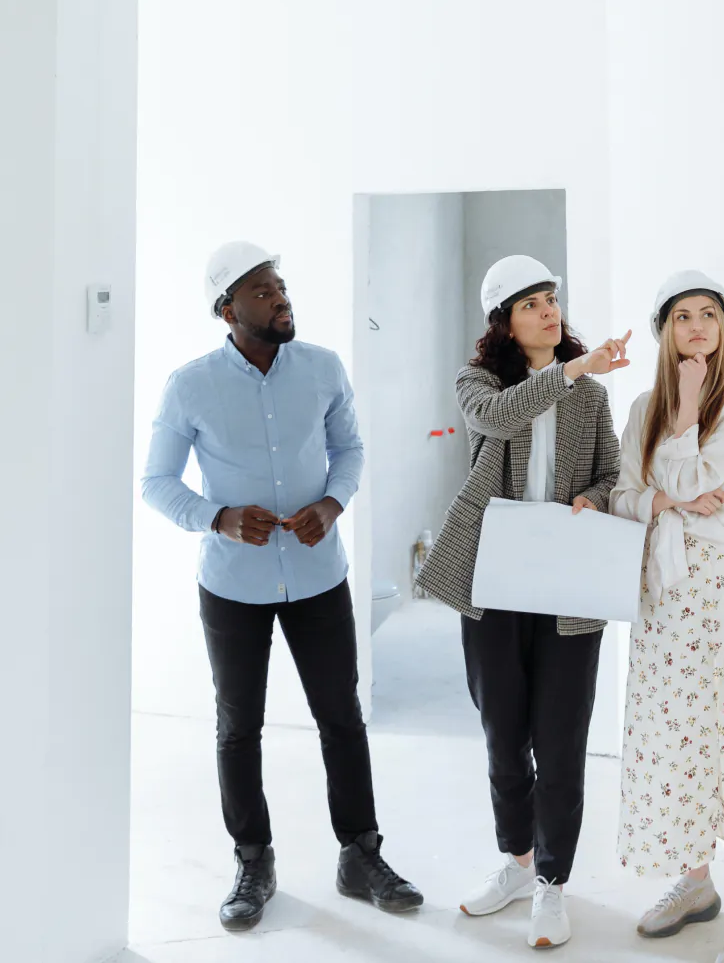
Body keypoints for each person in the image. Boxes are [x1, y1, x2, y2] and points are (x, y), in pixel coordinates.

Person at [141, 241, 423, 933]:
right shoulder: (190, 385)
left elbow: (349, 449)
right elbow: (156, 482)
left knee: (342, 718)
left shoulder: (323, 368)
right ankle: (253, 862)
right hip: (232, 586)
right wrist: (217, 518)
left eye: (281, 286)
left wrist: (331, 504)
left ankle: (361, 855)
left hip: (318, 577)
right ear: (227, 309)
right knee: (238, 728)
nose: (280, 299)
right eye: (262, 292)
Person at [416, 254, 629, 950]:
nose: (549, 311)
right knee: (504, 737)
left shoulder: (591, 397)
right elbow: (501, 418)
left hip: (567, 584)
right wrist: (569, 369)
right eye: (532, 303)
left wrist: (591, 500)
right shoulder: (479, 382)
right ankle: (515, 861)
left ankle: (551, 884)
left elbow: (608, 474)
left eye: (552, 300)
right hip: (495, 582)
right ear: (505, 322)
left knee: (560, 743)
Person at [610, 271, 724, 963]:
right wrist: (665, 500)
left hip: (719, 591)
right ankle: (694, 883)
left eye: (708, 315)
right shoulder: (640, 409)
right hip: (661, 591)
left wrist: (685, 415)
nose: (695, 327)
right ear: (665, 331)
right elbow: (630, 495)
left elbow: (691, 483)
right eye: (682, 316)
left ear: (723, 328)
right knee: (673, 736)